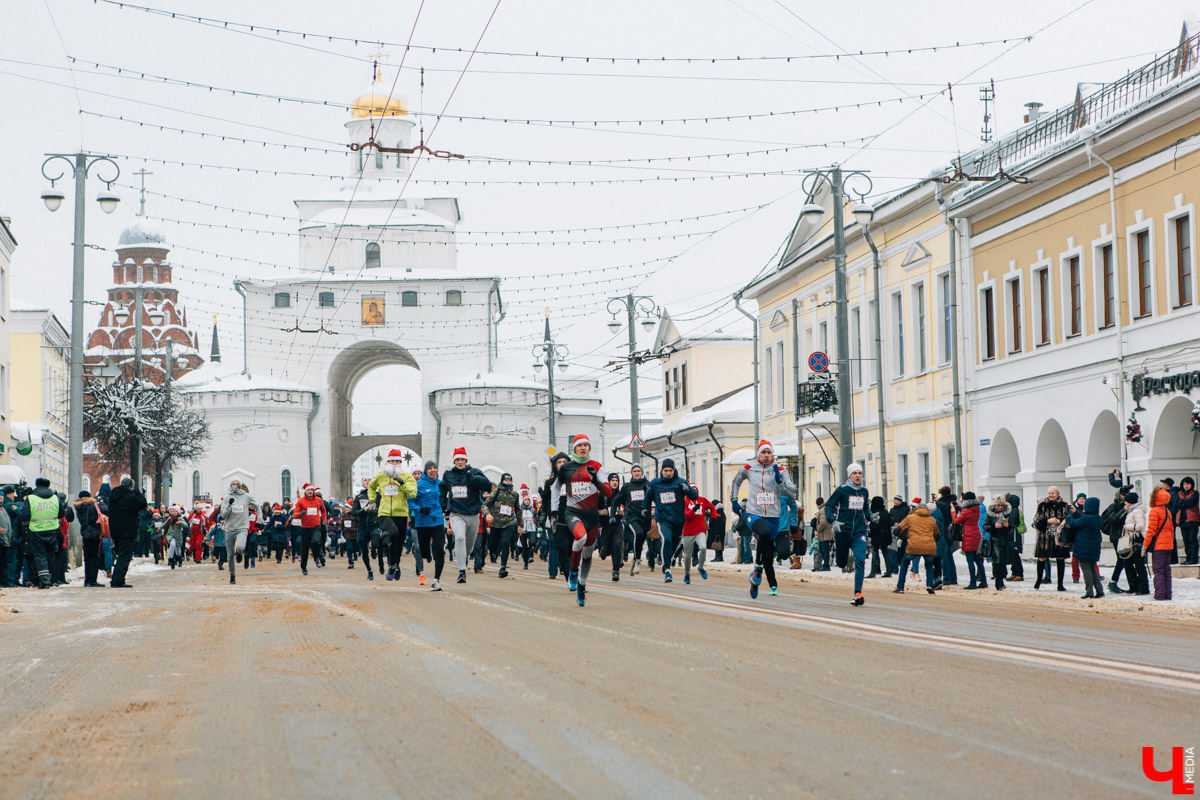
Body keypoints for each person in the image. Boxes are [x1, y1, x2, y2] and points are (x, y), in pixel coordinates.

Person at [549, 434, 613, 606]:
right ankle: (573, 571)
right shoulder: (566, 468)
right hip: (573, 512)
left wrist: (596, 481)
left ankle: (582, 585)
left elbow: (608, 492)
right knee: (580, 537)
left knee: (587, 554)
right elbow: (555, 489)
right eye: (579, 445)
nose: (583, 448)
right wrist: (554, 511)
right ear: (575, 448)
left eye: (586, 445)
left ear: (589, 448)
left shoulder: (596, 467)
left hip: (592, 516)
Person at [729, 440, 797, 599]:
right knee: (764, 533)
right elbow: (736, 482)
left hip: (773, 516)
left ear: (773, 454)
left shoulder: (781, 470)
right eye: (763, 452)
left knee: (767, 552)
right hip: (753, 513)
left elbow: (793, 493)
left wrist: (780, 483)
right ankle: (758, 568)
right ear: (758, 454)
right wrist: (734, 500)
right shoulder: (749, 468)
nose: (766, 455)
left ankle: (755, 579)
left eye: (769, 452)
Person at [441, 446, 493, 585]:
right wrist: (443, 506)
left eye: (462, 459)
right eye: (457, 459)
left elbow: (487, 486)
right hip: (456, 513)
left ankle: (464, 558)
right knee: (459, 538)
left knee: (469, 547)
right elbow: (442, 490)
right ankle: (462, 572)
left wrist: (473, 479)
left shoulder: (474, 472)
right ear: (454, 461)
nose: (460, 462)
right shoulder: (448, 475)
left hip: (473, 515)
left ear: (466, 460)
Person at [368, 450, 420, 583]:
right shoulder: (381, 475)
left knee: (399, 541)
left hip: (401, 513)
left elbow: (413, 493)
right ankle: (391, 564)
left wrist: (401, 482)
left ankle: (396, 564)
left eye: (397, 461)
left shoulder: (406, 476)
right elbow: (371, 487)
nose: (395, 463)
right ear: (388, 462)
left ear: (401, 463)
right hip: (385, 513)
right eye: (392, 461)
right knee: (393, 533)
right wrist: (372, 500)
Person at [825, 463, 872, 606]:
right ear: (849, 475)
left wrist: (871, 516)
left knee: (860, 560)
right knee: (841, 563)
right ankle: (841, 558)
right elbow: (829, 506)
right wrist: (833, 521)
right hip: (843, 531)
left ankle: (858, 593)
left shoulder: (864, 491)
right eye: (855, 473)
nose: (858, 476)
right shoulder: (842, 490)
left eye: (860, 473)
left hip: (859, 531)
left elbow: (865, 508)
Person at [649, 457, 697, 587]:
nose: (668, 473)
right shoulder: (655, 484)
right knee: (667, 539)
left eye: (670, 470)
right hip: (663, 519)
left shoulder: (680, 482)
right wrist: (644, 510)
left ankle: (666, 558)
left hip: (678, 520)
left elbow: (694, 497)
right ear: (662, 471)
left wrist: (688, 490)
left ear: (674, 470)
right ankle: (667, 570)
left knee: (674, 543)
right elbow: (648, 497)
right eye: (666, 470)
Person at [410, 462, 445, 591]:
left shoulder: (441, 484)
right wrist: (420, 509)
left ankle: (436, 580)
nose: (433, 470)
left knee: (440, 549)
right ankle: (427, 553)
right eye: (430, 468)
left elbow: (446, 498)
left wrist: (446, 507)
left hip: (438, 522)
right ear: (425, 471)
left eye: (435, 468)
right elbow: (410, 501)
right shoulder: (419, 485)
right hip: (423, 523)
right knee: (424, 552)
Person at [106, 477, 147, 588]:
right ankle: (118, 580)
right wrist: (138, 492)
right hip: (127, 530)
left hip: (115, 530)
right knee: (125, 556)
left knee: (120, 555)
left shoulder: (113, 496)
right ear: (130, 487)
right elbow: (143, 503)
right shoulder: (130, 498)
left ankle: (116, 579)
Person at [612, 464, 651, 576]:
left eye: (638, 471)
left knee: (641, 539)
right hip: (632, 516)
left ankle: (634, 559)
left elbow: (657, 498)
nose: (637, 473)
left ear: (642, 472)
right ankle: (638, 560)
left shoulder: (648, 485)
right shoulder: (627, 486)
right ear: (632, 473)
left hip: (645, 517)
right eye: (634, 471)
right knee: (638, 533)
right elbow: (616, 501)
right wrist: (612, 515)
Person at [1063, 496, 1105, 598]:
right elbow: (1083, 518)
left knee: (1086, 569)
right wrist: (1076, 512)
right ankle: (1099, 590)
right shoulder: (1097, 518)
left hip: (1083, 547)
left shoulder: (1086, 519)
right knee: (1092, 569)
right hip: (1093, 547)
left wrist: (1068, 516)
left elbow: (1074, 524)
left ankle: (1089, 592)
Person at [893, 501, 939, 594]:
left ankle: (900, 586)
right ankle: (930, 585)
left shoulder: (910, 518)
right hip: (929, 546)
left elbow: (897, 530)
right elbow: (937, 535)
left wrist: (902, 535)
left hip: (914, 546)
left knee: (905, 562)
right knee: (929, 564)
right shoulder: (932, 520)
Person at [1033, 486, 1071, 591]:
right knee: (1042, 558)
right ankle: (1038, 581)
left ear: (1057, 494)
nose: (1051, 495)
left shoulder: (1064, 505)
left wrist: (1060, 521)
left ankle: (1060, 584)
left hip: (1059, 537)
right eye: (1049, 493)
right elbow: (1036, 521)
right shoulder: (1042, 505)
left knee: (1060, 559)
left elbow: (1069, 519)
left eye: (1053, 493)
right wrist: (1047, 521)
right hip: (1044, 537)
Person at [484, 472, 521, 579]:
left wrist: (520, 524)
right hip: (495, 523)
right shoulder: (496, 492)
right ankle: (493, 553)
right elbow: (485, 504)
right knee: (493, 544)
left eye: (509, 480)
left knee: (505, 543)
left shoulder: (514, 495)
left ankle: (503, 567)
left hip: (508, 523)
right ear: (502, 481)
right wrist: (488, 514)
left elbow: (518, 509)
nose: (508, 482)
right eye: (506, 480)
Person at [219, 479, 255, 585]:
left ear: (241, 485)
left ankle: (239, 552)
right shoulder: (227, 498)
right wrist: (229, 505)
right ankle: (232, 574)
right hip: (229, 528)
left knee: (240, 546)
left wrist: (260, 519)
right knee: (230, 555)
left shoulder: (246, 497)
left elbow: (256, 506)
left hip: (242, 527)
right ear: (231, 485)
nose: (235, 486)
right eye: (233, 484)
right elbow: (223, 515)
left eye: (237, 484)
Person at [1145, 484, 1175, 601]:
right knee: (1167, 570)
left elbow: (1151, 530)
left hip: (1159, 545)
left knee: (1158, 570)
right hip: (1168, 544)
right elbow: (1171, 530)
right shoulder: (1167, 511)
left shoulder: (1154, 511)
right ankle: (1168, 594)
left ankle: (1159, 594)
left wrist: (1145, 545)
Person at [680, 488, 715, 585]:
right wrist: (694, 509)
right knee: (688, 556)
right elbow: (685, 516)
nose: (694, 492)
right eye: (692, 490)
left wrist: (713, 513)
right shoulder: (684, 501)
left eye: (695, 490)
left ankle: (701, 567)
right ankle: (687, 574)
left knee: (703, 547)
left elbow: (711, 506)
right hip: (688, 532)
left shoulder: (702, 500)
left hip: (700, 530)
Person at [291, 484, 327, 576]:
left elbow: (323, 510)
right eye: (308, 490)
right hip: (305, 528)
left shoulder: (318, 500)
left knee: (316, 541)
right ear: (305, 492)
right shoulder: (301, 501)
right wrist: (300, 514)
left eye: (311, 490)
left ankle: (316, 557)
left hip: (316, 526)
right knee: (305, 549)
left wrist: (324, 521)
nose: (310, 491)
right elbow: (295, 514)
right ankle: (303, 567)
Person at [1120, 491, 1150, 595]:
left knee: (1138, 564)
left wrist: (1127, 527)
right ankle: (1133, 586)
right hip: (1131, 538)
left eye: (1126, 501)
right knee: (1128, 563)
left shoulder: (1137, 511)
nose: (1125, 503)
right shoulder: (1131, 510)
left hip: (1136, 539)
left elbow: (1140, 526)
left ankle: (1142, 587)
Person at [955, 492, 986, 589]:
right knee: (978, 560)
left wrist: (954, 512)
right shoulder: (976, 508)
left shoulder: (966, 511)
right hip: (976, 534)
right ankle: (983, 581)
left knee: (970, 560)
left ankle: (973, 582)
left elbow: (957, 521)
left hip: (969, 536)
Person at [982, 495, 1013, 590]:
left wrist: (1007, 526)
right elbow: (985, 526)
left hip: (1005, 541)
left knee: (1003, 562)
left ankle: (1001, 580)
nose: (999, 507)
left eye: (1001, 505)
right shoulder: (990, 514)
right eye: (998, 505)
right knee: (997, 562)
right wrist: (994, 527)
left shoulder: (1007, 514)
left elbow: (1013, 527)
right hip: (994, 540)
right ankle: (998, 582)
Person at [75, 491, 103, 587]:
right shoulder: (93, 506)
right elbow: (104, 511)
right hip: (94, 533)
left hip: (84, 533)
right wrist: (101, 503)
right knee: (94, 556)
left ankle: (87, 580)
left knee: (87, 557)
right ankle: (92, 580)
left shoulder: (79, 507)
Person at [867, 496, 894, 578]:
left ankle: (873, 571)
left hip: (877, 535)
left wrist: (870, 529)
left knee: (875, 553)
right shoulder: (885, 512)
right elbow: (890, 523)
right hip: (886, 535)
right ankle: (889, 570)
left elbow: (874, 526)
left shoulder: (875, 513)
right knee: (885, 553)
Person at [1176, 477, 1198, 565]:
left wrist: (1182, 502)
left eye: (1188, 484)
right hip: (1182, 520)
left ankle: (1194, 558)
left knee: (1192, 539)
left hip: (1192, 520)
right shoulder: (1180, 493)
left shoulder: (1195, 493)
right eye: (1184, 484)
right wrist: (1184, 503)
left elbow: (1191, 502)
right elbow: (1177, 504)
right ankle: (1188, 557)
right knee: (1186, 540)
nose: (1186, 486)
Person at [812, 498, 833, 571]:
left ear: (817, 504)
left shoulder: (822, 510)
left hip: (824, 534)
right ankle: (825, 564)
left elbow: (823, 522)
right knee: (822, 550)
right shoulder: (824, 509)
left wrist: (818, 529)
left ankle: (826, 565)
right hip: (824, 534)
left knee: (824, 550)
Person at [709, 498, 728, 563]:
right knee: (719, 544)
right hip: (721, 532)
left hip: (717, 532)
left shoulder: (718, 514)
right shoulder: (722, 514)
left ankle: (718, 557)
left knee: (717, 544)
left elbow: (715, 523)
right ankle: (719, 556)